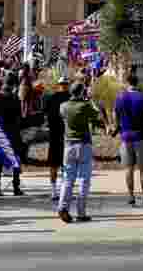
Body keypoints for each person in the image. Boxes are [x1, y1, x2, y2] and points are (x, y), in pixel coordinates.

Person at [57, 82, 101, 223]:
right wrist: (90, 99)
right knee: (84, 179)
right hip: (83, 144)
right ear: (82, 92)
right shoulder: (85, 106)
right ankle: (81, 212)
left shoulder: (63, 106)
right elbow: (96, 114)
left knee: (68, 179)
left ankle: (63, 207)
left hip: (69, 144)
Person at [114, 73, 143, 206]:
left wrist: (117, 127)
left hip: (126, 135)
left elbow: (116, 115)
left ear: (127, 82)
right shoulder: (142, 97)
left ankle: (131, 196)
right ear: (137, 83)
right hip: (140, 135)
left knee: (128, 168)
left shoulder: (120, 97)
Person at [0, 76, 25, 196]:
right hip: (13, 132)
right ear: (13, 86)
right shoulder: (15, 99)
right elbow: (20, 117)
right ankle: (16, 187)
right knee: (15, 159)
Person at [44, 77, 71, 202]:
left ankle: (54, 191)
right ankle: (63, 190)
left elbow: (45, 115)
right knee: (66, 165)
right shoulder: (72, 98)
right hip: (67, 135)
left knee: (54, 164)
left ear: (59, 85)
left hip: (54, 135)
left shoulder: (51, 98)